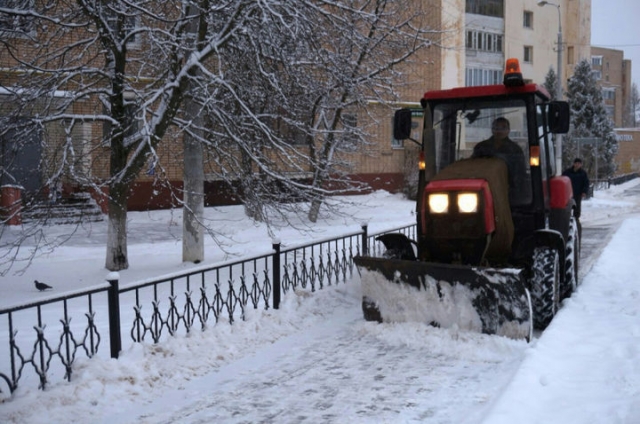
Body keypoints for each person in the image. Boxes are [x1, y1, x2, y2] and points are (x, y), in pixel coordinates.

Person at [472, 117, 527, 203]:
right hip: (484, 190)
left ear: (508, 130)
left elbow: (520, 174)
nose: (499, 131)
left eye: (503, 128)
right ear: (492, 130)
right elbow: (474, 169)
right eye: (496, 128)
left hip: (509, 193)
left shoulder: (515, 150)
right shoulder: (481, 147)